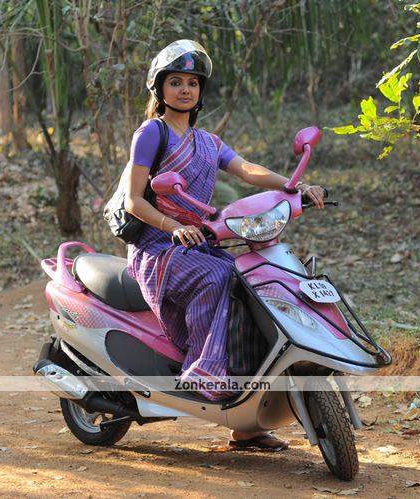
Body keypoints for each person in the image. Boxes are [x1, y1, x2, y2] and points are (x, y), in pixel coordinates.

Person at [124, 40, 325, 451]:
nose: (185, 90)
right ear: (158, 89)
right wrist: (173, 225)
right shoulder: (151, 133)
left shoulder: (208, 143)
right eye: (176, 82)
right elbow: (134, 200)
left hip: (198, 244)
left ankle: (245, 421)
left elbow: (247, 170)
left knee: (251, 280)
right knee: (220, 273)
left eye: (193, 83)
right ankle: (204, 371)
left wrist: (294, 186)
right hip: (158, 249)